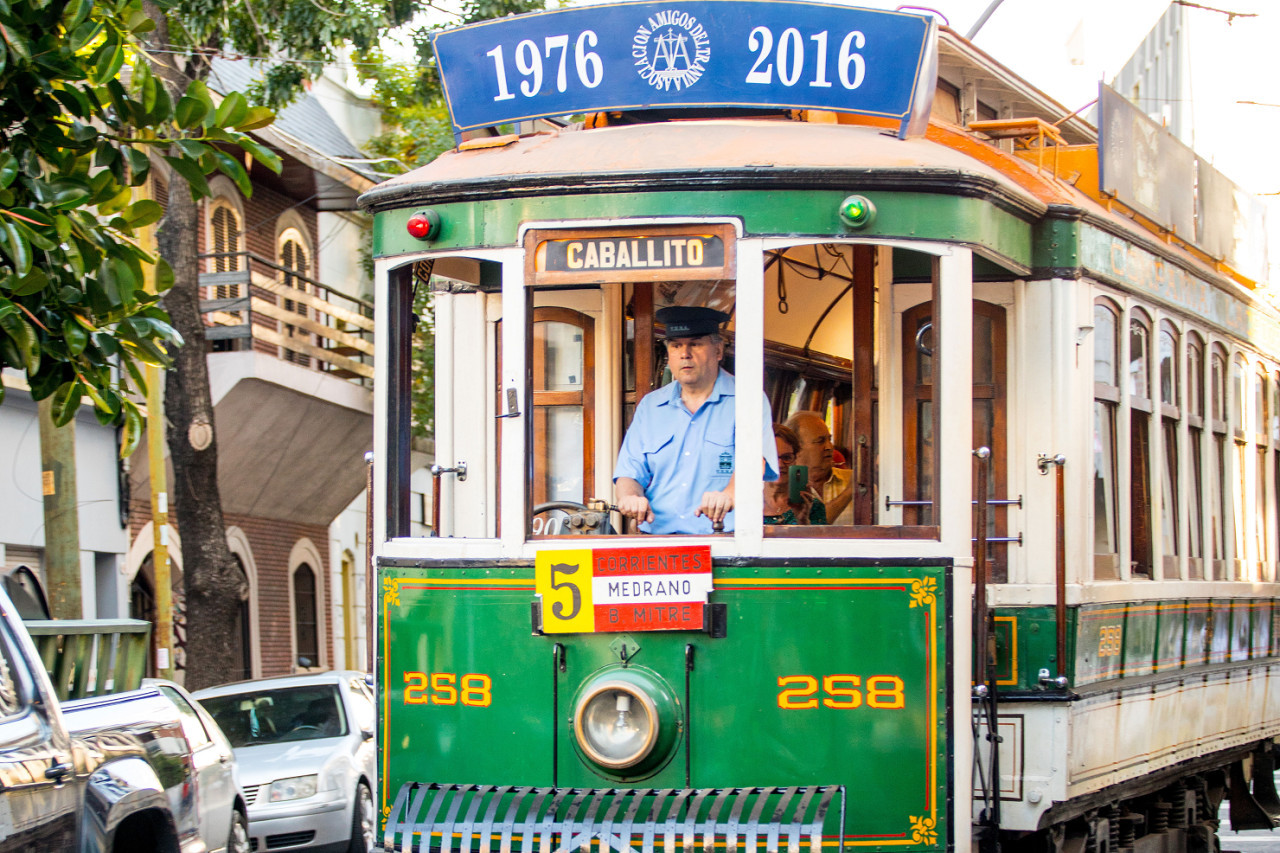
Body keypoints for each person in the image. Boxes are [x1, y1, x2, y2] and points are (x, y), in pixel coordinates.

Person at [614, 305, 779, 534]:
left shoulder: (747, 400)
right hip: (658, 542)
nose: (685, 354)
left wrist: (728, 496)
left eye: (696, 344)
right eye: (676, 345)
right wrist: (631, 497)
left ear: (718, 351)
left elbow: (754, 464)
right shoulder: (651, 406)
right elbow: (629, 473)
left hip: (724, 540)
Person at [785, 410, 853, 524]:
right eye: (820, 441)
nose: (829, 447)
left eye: (829, 440)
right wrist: (848, 493)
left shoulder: (856, 481)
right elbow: (807, 527)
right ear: (796, 447)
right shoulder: (782, 488)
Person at [764, 423, 827, 525]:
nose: (780, 464)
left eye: (787, 457)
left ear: (796, 459)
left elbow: (816, 540)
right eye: (772, 458)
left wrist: (803, 520)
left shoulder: (812, 506)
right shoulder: (745, 502)